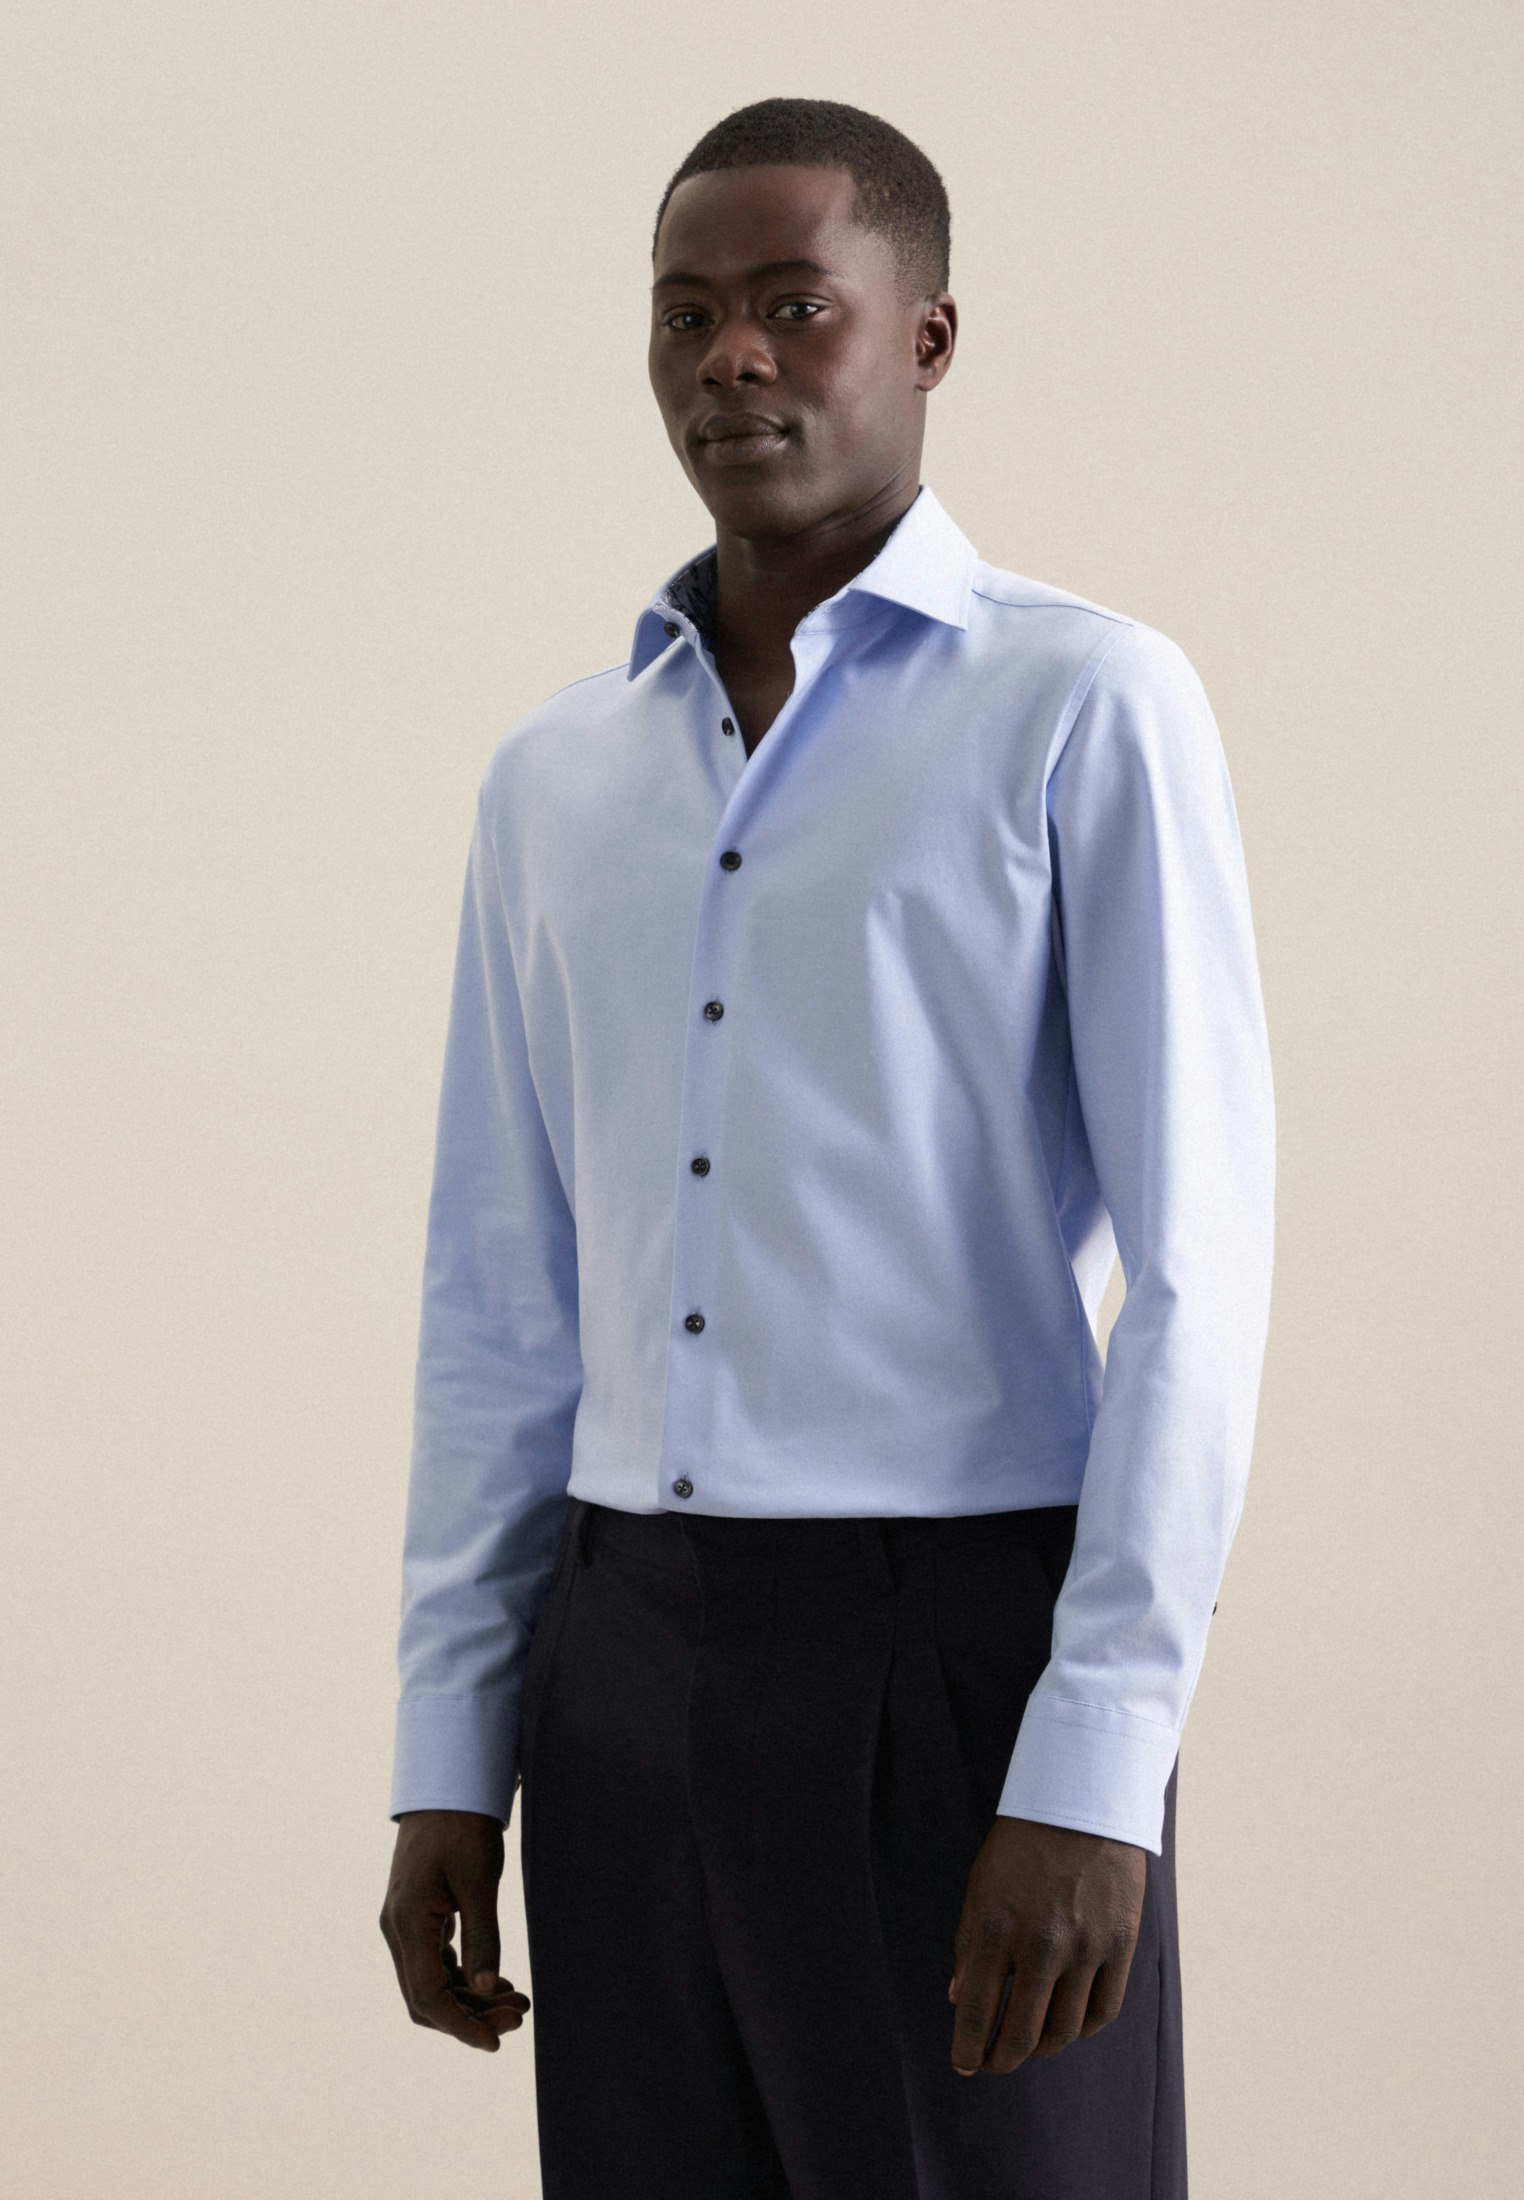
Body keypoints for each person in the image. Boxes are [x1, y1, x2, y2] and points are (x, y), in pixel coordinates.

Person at [378, 95, 1275, 2200]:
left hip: (957, 1656)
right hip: (619, 1661)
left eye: (797, 306)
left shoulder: (1084, 704)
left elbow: (1200, 1269)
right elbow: (500, 1297)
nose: (734, 357)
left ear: (927, 336)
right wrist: (451, 1749)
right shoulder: (553, 780)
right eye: (686, 313)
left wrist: (1098, 1759)